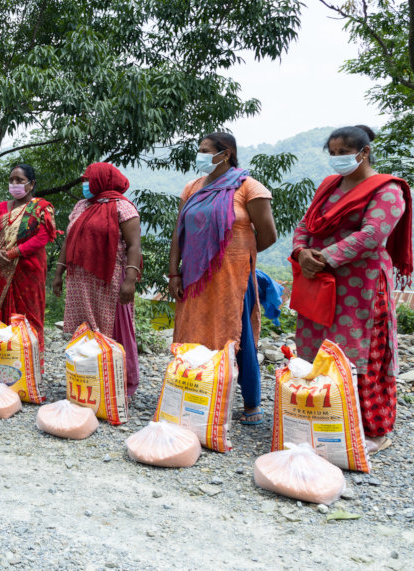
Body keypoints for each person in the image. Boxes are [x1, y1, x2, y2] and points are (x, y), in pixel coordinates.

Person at [292, 126, 412, 454]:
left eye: (343, 152)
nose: (336, 159)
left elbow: (372, 234)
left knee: (361, 352)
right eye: (332, 153)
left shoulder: (388, 190)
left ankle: (374, 430)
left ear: (364, 152)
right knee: (318, 349)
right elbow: (305, 223)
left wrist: (323, 257)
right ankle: (323, 420)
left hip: (362, 287)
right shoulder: (329, 185)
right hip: (320, 281)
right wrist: (302, 252)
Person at [168, 132, 277, 425]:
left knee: (237, 333)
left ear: (225, 153)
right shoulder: (192, 187)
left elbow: (268, 235)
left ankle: (251, 402)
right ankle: (198, 391)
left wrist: (232, 252)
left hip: (233, 276)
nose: (200, 155)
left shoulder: (249, 188)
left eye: (205, 150)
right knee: (194, 330)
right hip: (194, 276)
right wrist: (174, 272)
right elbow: (179, 232)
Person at [53, 163, 143, 396]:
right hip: (80, 282)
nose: (85, 184)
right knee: (84, 329)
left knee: (115, 328)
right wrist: (59, 272)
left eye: (88, 179)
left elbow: (134, 246)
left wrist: (130, 281)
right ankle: (88, 380)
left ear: (102, 180)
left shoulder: (123, 207)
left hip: (110, 280)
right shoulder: (81, 206)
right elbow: (69, 240)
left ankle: (120, 384)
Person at [0, 164, 56, 359]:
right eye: (11, 180)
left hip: (28, 271)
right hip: (0, 268)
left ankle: (31, 363)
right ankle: (5, 361)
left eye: (19, 180)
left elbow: (43, 237)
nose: (14, 183)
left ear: (31, 184)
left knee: (29, 316)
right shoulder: (1, 207)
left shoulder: (41, 208)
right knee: (3, 317)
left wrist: (13, 253)